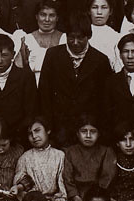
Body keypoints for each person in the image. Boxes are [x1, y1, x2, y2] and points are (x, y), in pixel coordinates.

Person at [38, 12, 112, 145]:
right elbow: (44, 93)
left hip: (88, 130)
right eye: (71, 37)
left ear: (88, 36)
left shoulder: (100, 60)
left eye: (80, 38)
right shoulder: (52, 56)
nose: (75, 42)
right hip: (59, 128)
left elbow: (105, 100)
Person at [12, 118, 69, 201]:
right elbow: (20, 185)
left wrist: (58, 200)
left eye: (37, 131)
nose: (34, 136)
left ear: (48, 130)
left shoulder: (60, 155)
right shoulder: (25, 158)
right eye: (30, 134)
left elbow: (63, 183)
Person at [64, 117, 115, 201]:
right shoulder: (69, 152)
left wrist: (93, 200)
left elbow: (106, 178)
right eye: (83, 131)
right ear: (77, 133)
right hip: (76, 196)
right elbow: (67, 178)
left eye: (93, 132)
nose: (88, 135)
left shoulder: (106, 152)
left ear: (99, 133)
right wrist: (76, 198)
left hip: (98, 196)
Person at [20, 0, 65, 79]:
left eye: (52, 15)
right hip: (33, 85)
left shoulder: (65, 38)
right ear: (36, 16)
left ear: (57, 18)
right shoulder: (27, 39)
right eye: (43, 15)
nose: (47, 19)